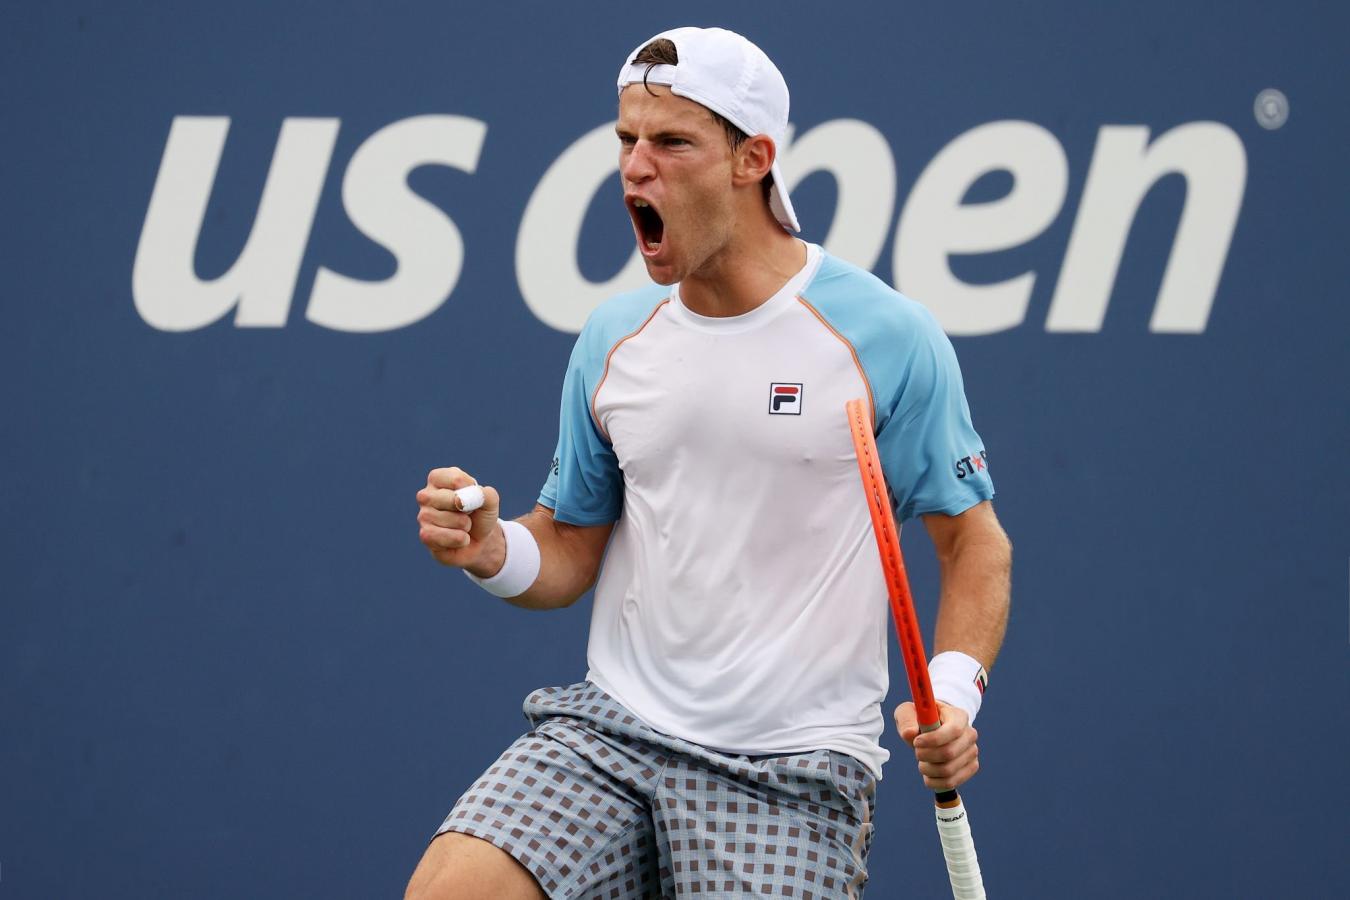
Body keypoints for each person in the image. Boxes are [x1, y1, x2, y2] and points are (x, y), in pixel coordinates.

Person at [406, 26, 1011, 900]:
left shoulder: (886, 336)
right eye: (625, 141)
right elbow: (572, 545)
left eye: (671, 142)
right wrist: (494, 551)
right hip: (611, 736)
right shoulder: (615, 339)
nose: (634, 168)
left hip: (791, 776)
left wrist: (952, 694)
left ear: (752, 159)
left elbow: (974, 546)